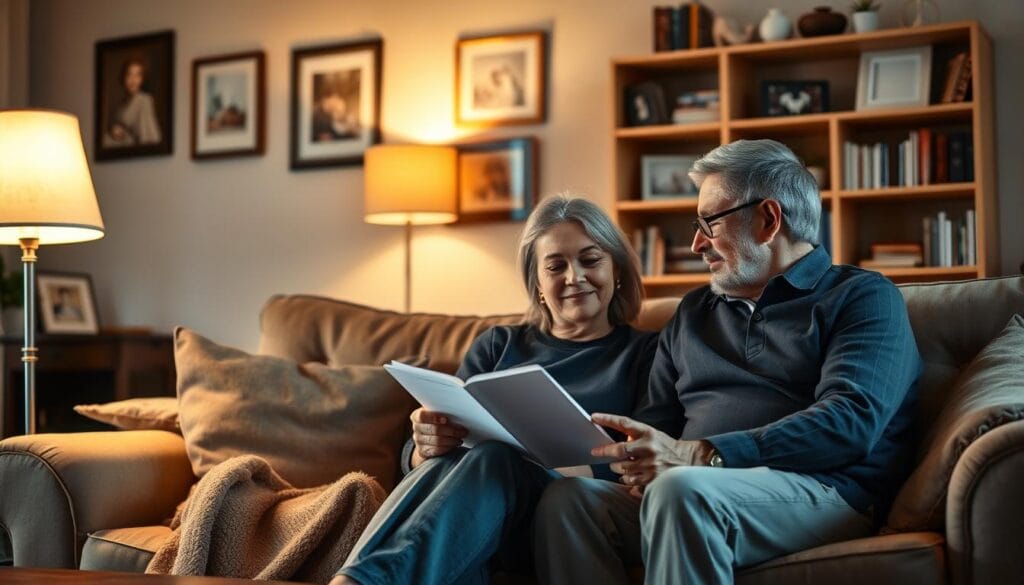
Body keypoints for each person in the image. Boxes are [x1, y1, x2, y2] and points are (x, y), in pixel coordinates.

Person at [533, 140, 922, 584]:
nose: (697, 243)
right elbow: (654, 424)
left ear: (768, 219)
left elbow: (851, 421)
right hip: (690, 487)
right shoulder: (693, 313)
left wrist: (705, 455)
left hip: (823, 490)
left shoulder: (861, 297)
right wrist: (626, 458)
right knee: (569, 501)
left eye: (710, 223)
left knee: (681, 490)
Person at [330, 196, 659, 585]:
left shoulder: (646, 354)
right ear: (536, 282)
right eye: (556, 266)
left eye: (590, 260)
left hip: (563, 519)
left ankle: (355, 581)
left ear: (616, 269)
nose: (575, 277)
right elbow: (433, 462)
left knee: (498, 456)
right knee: (460, 460)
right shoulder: (498, 345)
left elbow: (649, 456)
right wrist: (423, 445)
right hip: (478, 518)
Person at [104, 57, 161, 147]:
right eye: (129, 75)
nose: (133, 80)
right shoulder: (121, 104)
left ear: (142, 78)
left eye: (137, 75)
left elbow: (146, 135)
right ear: (123, 77)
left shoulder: (144, 100)